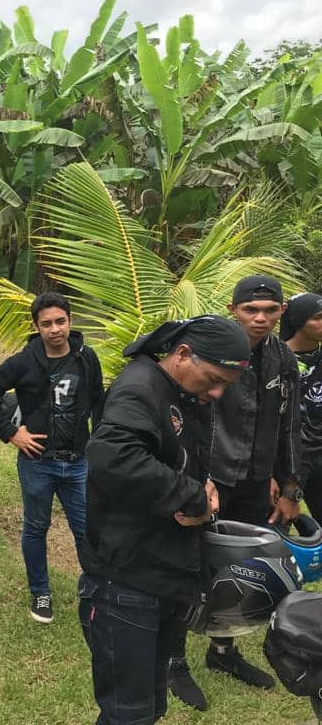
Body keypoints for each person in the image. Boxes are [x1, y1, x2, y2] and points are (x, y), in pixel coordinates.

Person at [79, 315, 250, 725]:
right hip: (126, 582)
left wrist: (202, 486)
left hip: (162, 573)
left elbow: (171, 457)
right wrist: (191, 495)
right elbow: (112, 456)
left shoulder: (182, 393)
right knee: (128, 713)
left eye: (226, 385)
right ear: (183, 353)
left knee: (150, 707)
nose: (217, 392)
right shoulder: (139, 388)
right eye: (214, 379)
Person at [167, 276, 304, 710]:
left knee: (240, 570)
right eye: (251, 310)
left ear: (282, 311)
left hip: (254, 481)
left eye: (270, 310)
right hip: (209, 478)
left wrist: (290, 486)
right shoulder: (210, 348)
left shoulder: (283, 358)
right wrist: (192, 479)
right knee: (184, 564)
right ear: (234, 309)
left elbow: (288, 425)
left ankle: (223, 651)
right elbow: (183, 416)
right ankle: (172, 661)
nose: (261, 318)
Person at [0, 292, 103, 623]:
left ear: (70, 321)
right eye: (46, 324)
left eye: (60, 321)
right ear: (36, 326)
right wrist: (11, 433)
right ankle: (41, 592)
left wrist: (100, 442)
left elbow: (98, 400)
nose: (55, 329)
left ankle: (95, 588)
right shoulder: (23, 361)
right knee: (36, 526)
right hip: (37, 462)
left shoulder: (86, 358)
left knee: (86, 528)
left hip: (78, 461)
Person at [283, 292, 322, 520]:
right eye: (318, 317)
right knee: (279, 520)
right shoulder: (277, 358)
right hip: (289, 453)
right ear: (298, 320)